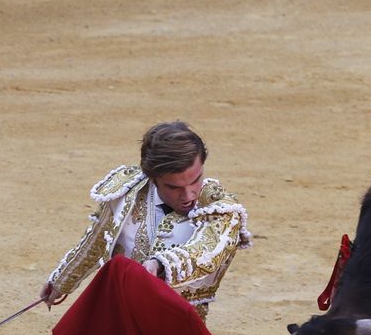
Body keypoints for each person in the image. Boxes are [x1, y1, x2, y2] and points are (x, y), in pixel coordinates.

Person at [41, 120, 250, 321]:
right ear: (152, 177)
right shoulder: (126, 194)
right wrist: (61, 281)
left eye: (195, 180)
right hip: (120, 315)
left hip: (177, 328)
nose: (188, 196)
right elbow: (96, 241)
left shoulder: (219, 208)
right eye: (173, 187)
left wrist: (160, 264)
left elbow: (207, 251)